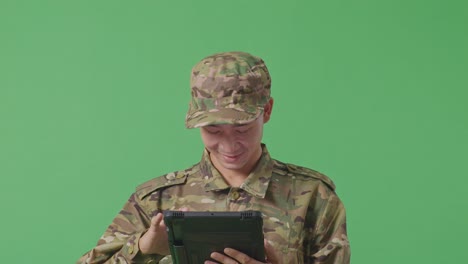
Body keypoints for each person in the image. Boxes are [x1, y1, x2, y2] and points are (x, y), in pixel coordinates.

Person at [77, 51, 350, 264]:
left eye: (242, 127)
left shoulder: (314, 197)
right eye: (213, 129)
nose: (229, 145)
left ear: (267, 110)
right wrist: (144, 249)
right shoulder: (155, 200)